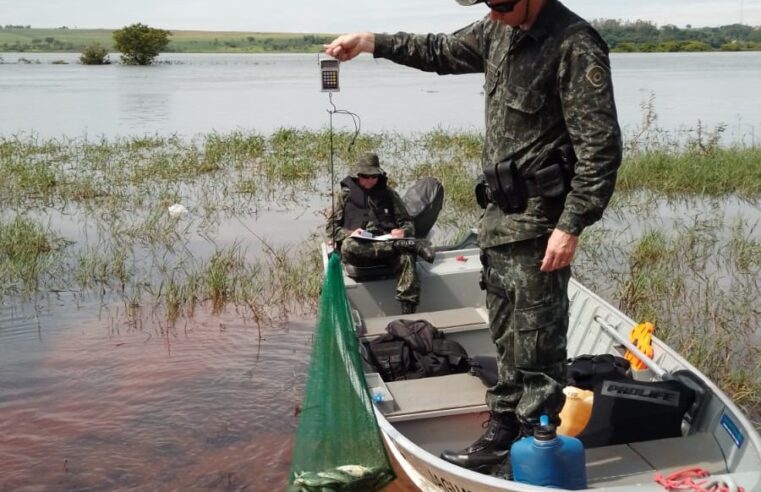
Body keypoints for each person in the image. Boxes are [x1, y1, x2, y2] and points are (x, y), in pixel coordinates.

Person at [325, 0, 622, 475]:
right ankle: (501, 431)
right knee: (505, 333)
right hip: (499, 224)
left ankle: (534, 446)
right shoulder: (496, 31)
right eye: (487, 2)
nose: (494, 11)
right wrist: (371, 43)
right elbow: (438, 50)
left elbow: (601, 149)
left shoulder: (574, 45)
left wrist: (571, 226)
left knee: (538, 345)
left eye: (502, 2)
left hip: (541, 227)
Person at [326, 152, 436, 315]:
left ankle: (408, 308)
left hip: (387, 243)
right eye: (365, 176)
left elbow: (407, 223)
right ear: (357, 175)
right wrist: (350, 233)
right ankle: (408, 245)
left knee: (406, 256)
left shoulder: (388, 194)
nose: (370, 180)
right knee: (349, 246)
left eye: (374, 176)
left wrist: (402, 231)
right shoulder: (345, 195)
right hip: (361, 249)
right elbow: (331, 230)